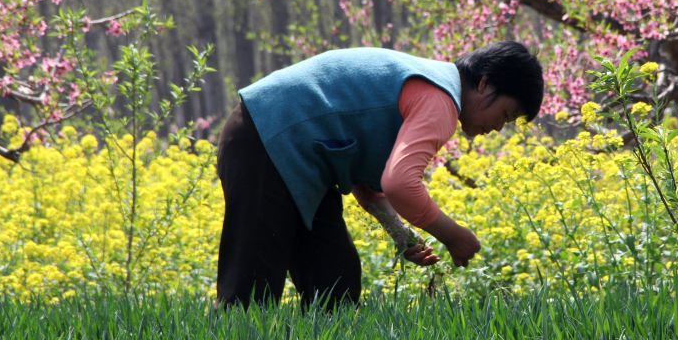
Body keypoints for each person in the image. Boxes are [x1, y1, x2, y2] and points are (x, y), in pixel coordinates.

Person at [215, 42, 544, 309]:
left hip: (295, 154)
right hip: (266, 138)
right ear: (485, 83)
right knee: (249, 293)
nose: (499, 127)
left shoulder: (428, 85)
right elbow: (400, 183)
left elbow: (370, 183)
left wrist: (401, 235)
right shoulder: (440, 99)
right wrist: (453, 235)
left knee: (335, 286)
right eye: (506, 114)